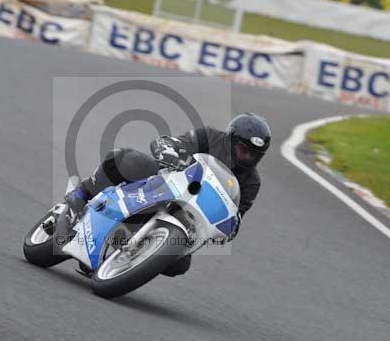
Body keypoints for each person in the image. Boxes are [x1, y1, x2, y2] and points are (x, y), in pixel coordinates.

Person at [64, 113, 271, 276]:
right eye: (244, 150)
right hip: (167, 181)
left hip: (191, 214)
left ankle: (124, 260)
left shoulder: (252, 182)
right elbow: (170, 142)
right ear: (231, 140)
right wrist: (170, 153)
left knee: (179, 265)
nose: (247, 157)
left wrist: (228, 227)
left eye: (254, 154)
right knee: (126, 160)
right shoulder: (209, 136)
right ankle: (82, 193)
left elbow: (237, 215)